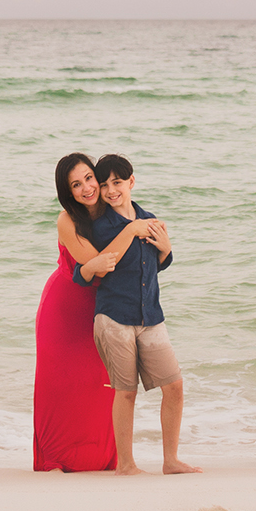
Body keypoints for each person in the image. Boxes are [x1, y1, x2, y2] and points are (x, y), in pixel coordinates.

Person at [74, 153, 201, 475]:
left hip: (151, 316)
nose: (111, 190)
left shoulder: (150, 219)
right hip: (114, 316)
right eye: (103, 185)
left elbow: (156, 264)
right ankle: (126, 465)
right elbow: (98, 265)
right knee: (126, 392)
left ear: (131, 182)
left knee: (174, 386)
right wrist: (131, 231)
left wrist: (166, 247)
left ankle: (170, 461)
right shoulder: (100, 226)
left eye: (117, 182)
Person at [32, 152, 150, 472]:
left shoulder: (115, 208)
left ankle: (104, 457)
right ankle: (55, 458)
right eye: (76, 185)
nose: (86, 188)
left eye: (88, 178)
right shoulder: (67, 220)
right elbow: (99, 266)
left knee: (101, 384)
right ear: (67, 192)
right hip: (65, 309)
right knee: (60, 385)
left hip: (106, 308)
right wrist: (132, 230)